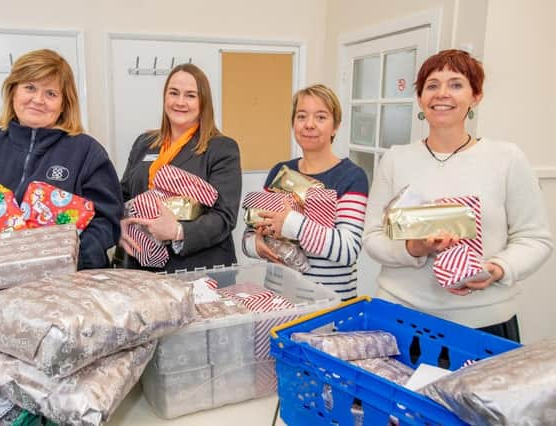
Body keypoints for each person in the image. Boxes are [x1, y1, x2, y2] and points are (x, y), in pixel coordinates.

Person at [362, 49, 553, 342]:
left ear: (475, 96)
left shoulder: (507, 158)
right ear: (420, 98)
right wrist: (413, 248)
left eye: (455, 84)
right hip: (401, 314)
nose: (442, 94)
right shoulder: (395, 160)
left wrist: (498, 269)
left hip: (484, 321)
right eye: (432, 85)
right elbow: (373, 237)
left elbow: (535, 239)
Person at [0, 49, 123, 298]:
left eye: (51, 93)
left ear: (64, 103)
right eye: (30, 87)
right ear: (13, 91)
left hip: (71, 294)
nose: (38, 99)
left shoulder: (86, 151)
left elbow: (108, 220)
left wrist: (74, 257)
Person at [242, 84, 369, 300]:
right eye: (301, 116)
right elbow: (249, 235)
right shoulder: (280, 171)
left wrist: (291, 224)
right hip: (280, 301)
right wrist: (257, 245)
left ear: (336, 126)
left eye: (320, 117)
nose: (309, 125)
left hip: (329, 306)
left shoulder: (351, 177)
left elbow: (348, 250)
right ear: (293, 123)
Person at [118, 63, 241, 272]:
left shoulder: (221, 148)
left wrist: (177, 231)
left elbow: (224, 217)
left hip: (199, 267)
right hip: (143, 265)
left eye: (191, 95)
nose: (180, 102)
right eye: (173, 93)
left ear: (203, 102)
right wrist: (120, 225)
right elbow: (124, 194)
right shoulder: (144, 143)